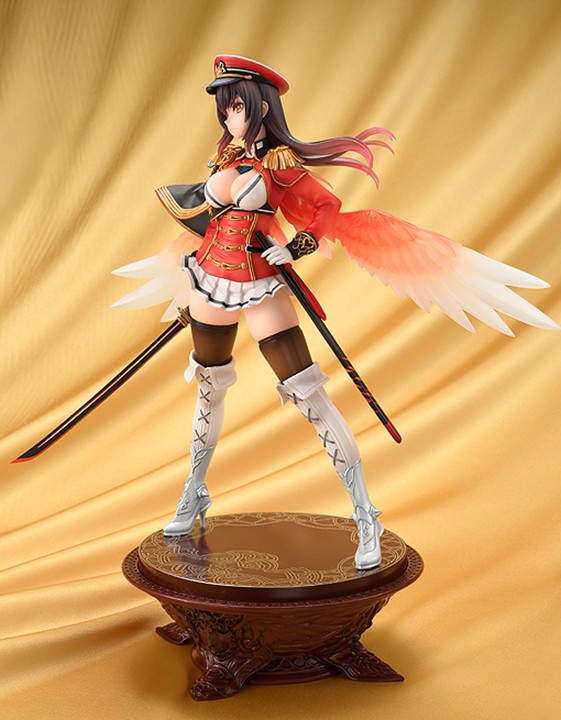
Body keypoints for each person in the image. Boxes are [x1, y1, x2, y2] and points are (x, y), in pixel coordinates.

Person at [113, 55, 559, 571]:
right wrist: (189, 282)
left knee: (308, 392)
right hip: (207, 282)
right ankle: (194, 492)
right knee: (209, 390)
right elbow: (210, 221)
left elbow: (326, 207)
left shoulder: (280, 165)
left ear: (261, 107)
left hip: (259, 282)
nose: (230, 116)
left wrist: (296, 246)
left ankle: (366, 515)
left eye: (237, 105)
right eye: (225, 109)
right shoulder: (224, 160)